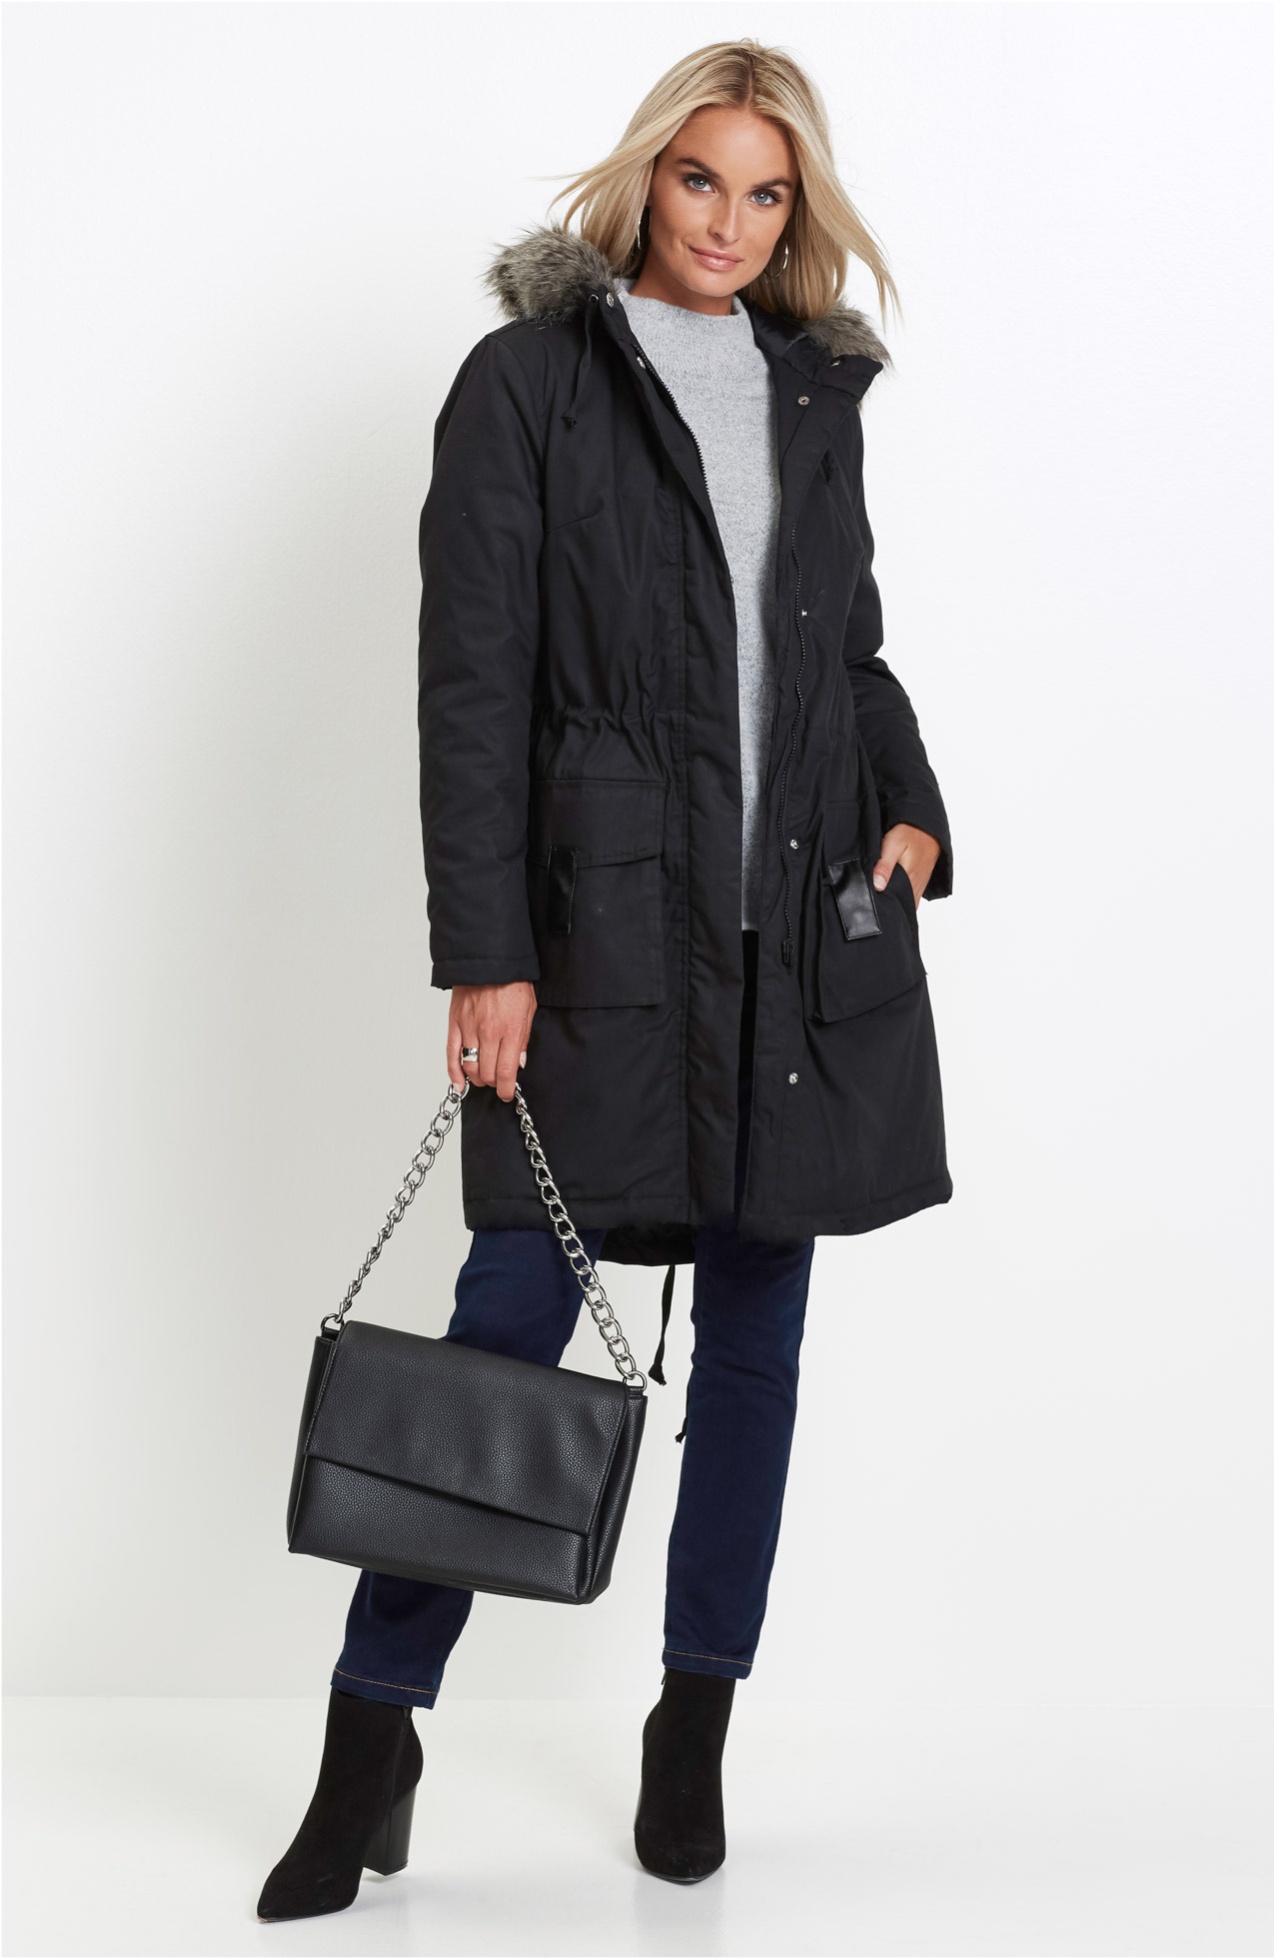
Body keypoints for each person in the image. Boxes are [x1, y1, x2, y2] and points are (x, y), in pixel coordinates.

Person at [257, 36, 953, 1923]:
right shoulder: (531, 384)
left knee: (757, 1352)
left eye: (768, 194)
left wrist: (910, 810)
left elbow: (851, 650)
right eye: (701, 179)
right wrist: (484, 954)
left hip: (800, 944)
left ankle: (693, 1722)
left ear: (797, 213)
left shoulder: (814, 391)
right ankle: (373, 1730)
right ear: (648, 176)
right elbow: (472, 687)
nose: (729, 222)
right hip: (602, 942)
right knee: (504, 1336)